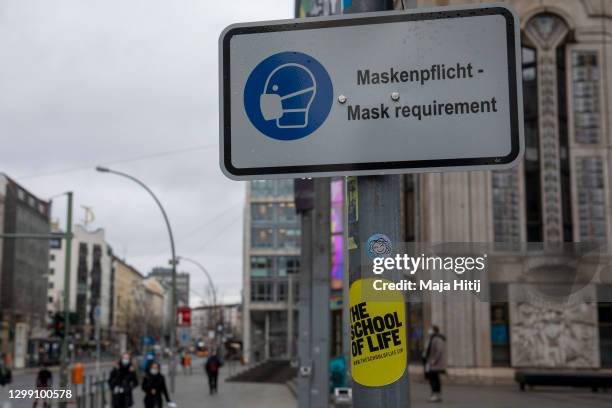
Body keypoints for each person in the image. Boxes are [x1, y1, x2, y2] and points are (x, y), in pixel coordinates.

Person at [423, 325, 446, 403]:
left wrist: (434, 360)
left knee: (434, 379)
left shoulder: (437, 339)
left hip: (434, 364)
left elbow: (439, 351)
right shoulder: (431, 338)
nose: (429, 331)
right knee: (433, 379)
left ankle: (436, 395)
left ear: (434, 330)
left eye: (430, 329)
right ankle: (435, 394)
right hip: (430, 363)